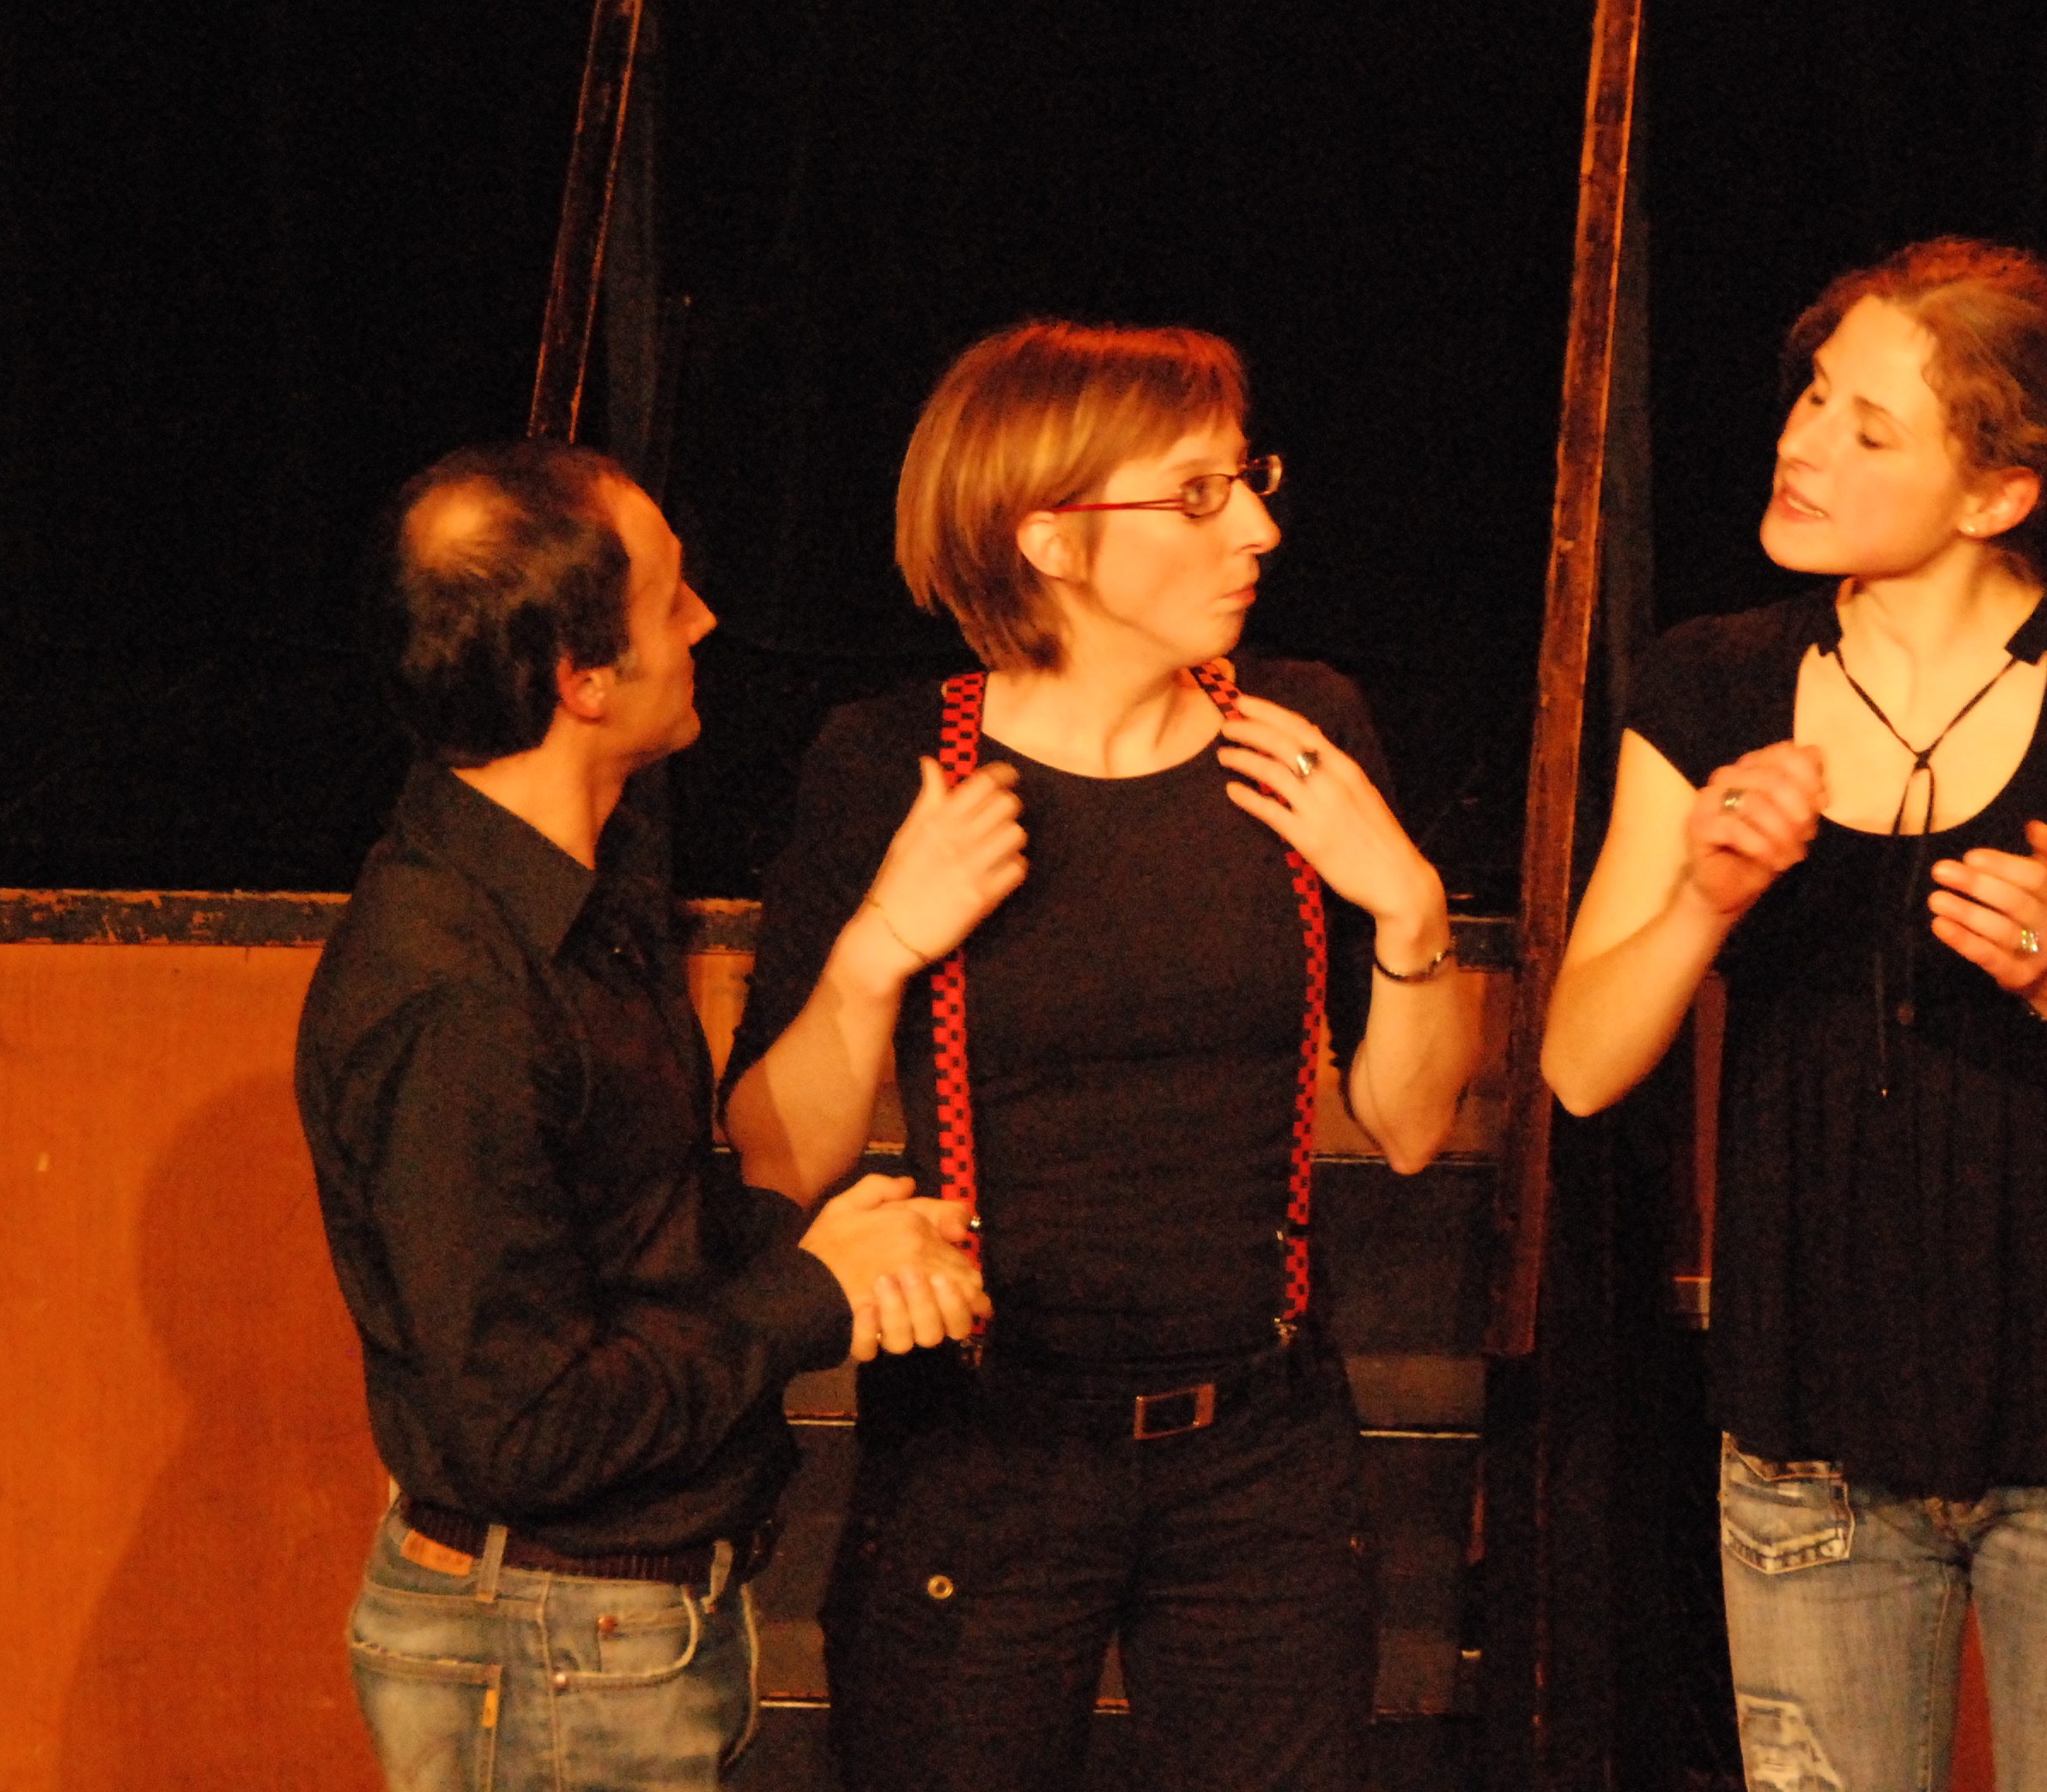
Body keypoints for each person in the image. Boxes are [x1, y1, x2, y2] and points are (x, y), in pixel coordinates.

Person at [720, 320, 1484, 1792]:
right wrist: (879, 948)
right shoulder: (890, 761)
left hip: (1261, 1451)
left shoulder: (1303, 730)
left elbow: (1405, 1127)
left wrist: (1409, 906)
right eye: (1197, 495)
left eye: (1247, 480)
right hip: (987, 1451)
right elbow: (777, 1154)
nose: (1256, 527)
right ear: (1051, 538)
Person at [1541, 240, 2047, 1792]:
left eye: (1868, 428)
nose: (1802, 444)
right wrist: (1703, 900)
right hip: (1814, 1461)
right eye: (1811, 397)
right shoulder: (1711, 686)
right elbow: (1581, 1066)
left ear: (1995, 496)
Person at [296, 439, 988, 1792]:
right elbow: (526, 1425)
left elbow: (625, 1238)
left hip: (607, 1636)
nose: (706, 622)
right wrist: (811, 1294)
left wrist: (840, 1250)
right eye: (673, 599)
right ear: (583, 679)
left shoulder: (569, 901)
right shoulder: (455, 989)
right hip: (548, 1647)